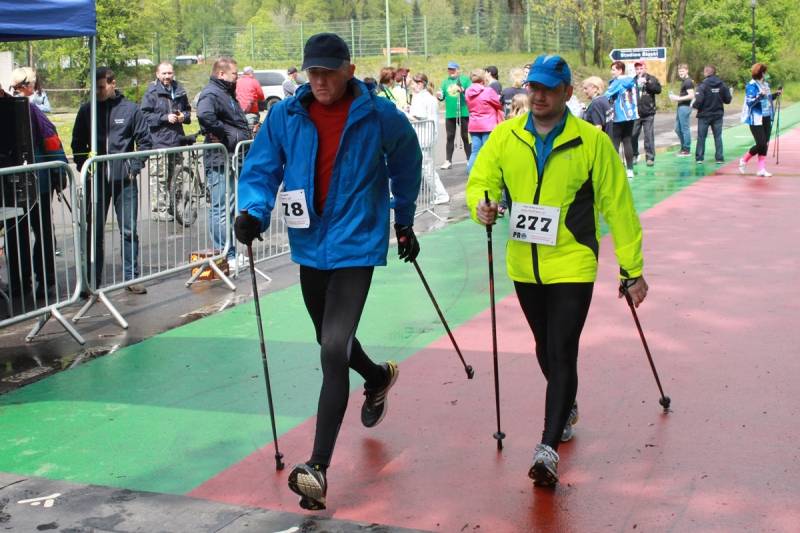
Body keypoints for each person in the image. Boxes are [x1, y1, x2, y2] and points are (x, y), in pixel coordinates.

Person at [233, 33, 422, 511]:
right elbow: (261, 169)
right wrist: (253, 211)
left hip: (357, 244)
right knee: (329, 340)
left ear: (348, 71)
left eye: (328, 73)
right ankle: (377, 376)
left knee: (333, 348)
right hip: (310, 246)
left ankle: (316, 468)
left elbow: (407, 161)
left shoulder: (378, 115)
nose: (319, 81)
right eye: (312, 72)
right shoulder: (286, 115)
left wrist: (403, 219)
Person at [466, 54, 647, 488]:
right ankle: (567, 403)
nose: (540, 95)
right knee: (544, 347)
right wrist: (481, 206)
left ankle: (547, 448)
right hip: (524, 265)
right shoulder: (506, 136)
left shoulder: (592, 142)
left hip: (572, 261)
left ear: (567, 92)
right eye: (535, 87)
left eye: (549, 88)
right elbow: (481, 181)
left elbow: (618, 207)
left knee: (562, 348)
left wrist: (632, 269)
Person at [72, 67, 152, 295]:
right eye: (94, 88)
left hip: (124, 182)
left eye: (101, 87)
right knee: (94, 232)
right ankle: (92, 281)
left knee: (128, 230)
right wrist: (84, 167)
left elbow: (145, 142)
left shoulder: (131, 110)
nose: (97, 92)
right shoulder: (87, 110)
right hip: (96, 181)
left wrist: (133, 168)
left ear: (112, 84)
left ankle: (131, 277)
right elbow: (77, 143)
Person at [5, 67, 67, 301]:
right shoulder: (28, 108)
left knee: (24, 234)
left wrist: (58, 171)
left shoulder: (26, 108)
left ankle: (30, 283)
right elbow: (51, 139)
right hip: (30, 183)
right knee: (36, 232)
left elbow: (50, 139)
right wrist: (60, 171)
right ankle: (36, 282)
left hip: (22, 184)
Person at [197, 57, 253, 268]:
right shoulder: (212, 93)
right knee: (220, 209)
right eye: (234, 74)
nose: (237, 77)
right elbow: (205, 115)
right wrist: (224, 133)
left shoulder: (226, 92)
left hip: (231, 156)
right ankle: (225, 255)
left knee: (229, 208)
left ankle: (231, 252)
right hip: (219, 157)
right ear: (221, 74)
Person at [140, 61, 191, 221]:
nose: (167, 76)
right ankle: (159, 210)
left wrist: (184, 117)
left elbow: (187, 111)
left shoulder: (179, 90)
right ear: (157, 74)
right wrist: (164, 118)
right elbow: (144, 116)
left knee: (177, 177)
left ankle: (175, 207)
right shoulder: (151, 92)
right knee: (159, 177)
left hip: (177, 140)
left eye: (170, 73)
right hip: (159, 141)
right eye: (164, 73)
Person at [408, 72, 449, 204]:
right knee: (425, 168)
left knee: (428, 169)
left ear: (420, 84)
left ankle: (441, 195)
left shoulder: (421, 98)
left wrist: (402, 113)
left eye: (413, 83)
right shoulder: (428, 97)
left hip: (423, 138)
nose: (411, 86)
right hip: (427, 137)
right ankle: (438, 194)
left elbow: (417, 117)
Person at [739, 62, 782, 177]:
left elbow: (768, 98)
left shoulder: (765, 84)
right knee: (761, 143)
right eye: (765, 72)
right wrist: (759, 96)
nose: (766, 74)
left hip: (766, 116)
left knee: (765, 144)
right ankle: (744, 160)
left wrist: (776, 94)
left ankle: (761, 169)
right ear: (761, 73)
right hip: (756, 118)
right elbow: (750, 103)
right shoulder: (751, 85)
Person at [605, 61, 639, 179]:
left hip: (618, 116)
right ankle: (630, 170)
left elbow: (606, 95)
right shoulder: (632, 81)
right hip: (630, 115)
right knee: (627, 141)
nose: (612, 72)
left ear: (620, 70)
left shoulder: (617, 82)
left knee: (615, 143)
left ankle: (616, 170)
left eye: (614, 69)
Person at [465, 68, 503, 173]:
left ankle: (471, 171)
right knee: (488, 150)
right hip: (488, 125)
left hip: (474, 124)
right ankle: (488, 172)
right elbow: (499, 104)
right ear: (483, 79)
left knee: (475, 151)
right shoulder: (488, 91)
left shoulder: (468, 91)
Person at [436, 61, 471, 170]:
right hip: (450, 113)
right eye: (449, 70)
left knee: (465, 136)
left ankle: (469, 159)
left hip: (463, 112)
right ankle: (448, 161)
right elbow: (442, 96)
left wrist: (463, 90)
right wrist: (439, 96)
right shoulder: (445, 82)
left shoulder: (465, 80)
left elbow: (470, 93)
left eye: (453, 69)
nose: (451, 72)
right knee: (450, 136)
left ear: (458, 70)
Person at [631, 61, 662, 166]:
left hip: (648, 112)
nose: (639, 71)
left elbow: (658, 90)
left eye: (641, 68)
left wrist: (647, 83)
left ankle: (650, 158)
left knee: (648, 136)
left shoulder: (651, 79)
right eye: (637, 69)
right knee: (633, 135)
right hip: (636, 113)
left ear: (645, 68)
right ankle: (634, 155)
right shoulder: (633, 80)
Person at [669, 64, 694, 157]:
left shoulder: (688, 82)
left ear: (687, 71)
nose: (681, 73)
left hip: (685, 107)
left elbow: (691, 95)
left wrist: (678, 98)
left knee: (684, 129)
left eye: (682, 71)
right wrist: (675, 97)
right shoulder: (684, 81)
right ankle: (683, 147)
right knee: (677, 128)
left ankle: (686, 149)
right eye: (679, 71)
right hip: (681, 107)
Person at [235, 66, 265, 131]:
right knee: (254, 127)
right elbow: (261, 95)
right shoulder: (254, 81)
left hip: (238, 111)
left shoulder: (237, 81)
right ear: (251, 73)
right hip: (252, 110)